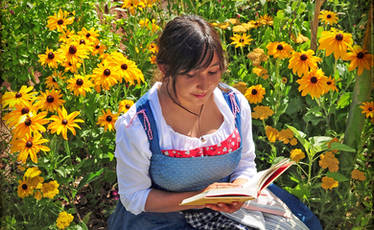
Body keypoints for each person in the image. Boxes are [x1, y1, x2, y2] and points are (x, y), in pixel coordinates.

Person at [108, 15, 322, 230]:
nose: (205, 84)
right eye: (191, 75)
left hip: (228, 207)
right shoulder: (139, 124)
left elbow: (245, 165)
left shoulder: (234, 104)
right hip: (164, 215)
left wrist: (239, 189)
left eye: (213, 71)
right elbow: (134, 197)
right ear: (164, 69)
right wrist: (200, 197)